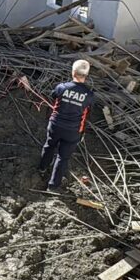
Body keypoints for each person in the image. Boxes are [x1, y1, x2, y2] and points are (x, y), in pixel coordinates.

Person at [39, 60, 94, 192]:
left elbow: (54, 96)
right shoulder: (89, 95)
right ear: (86, 76)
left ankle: (42, 168)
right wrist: (81, 132)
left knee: (49, 145)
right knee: (63, 157)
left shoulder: (62, 87)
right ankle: (53, 186)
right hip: (73, 130)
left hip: (55, 125)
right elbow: (86, 115)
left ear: (73, 72)